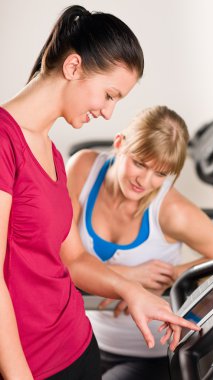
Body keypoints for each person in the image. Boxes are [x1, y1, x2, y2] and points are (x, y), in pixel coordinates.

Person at [0, 5, 200, 380]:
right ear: (73, 67)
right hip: (31, 366)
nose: (109, 114)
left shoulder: (52, 153)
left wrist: (133, 291)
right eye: (109, 95)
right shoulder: (3, 142)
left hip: (76, 346)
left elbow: (73, 259)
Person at [66, 105, 213, 380]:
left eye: (160, 174)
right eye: (139, 162)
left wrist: (173, 275)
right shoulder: (83, 168)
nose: (145, 181)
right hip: (86, 341)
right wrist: (126, 280)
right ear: (119, 143)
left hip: (149, 353)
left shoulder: (170, 210)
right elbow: (58, 254)